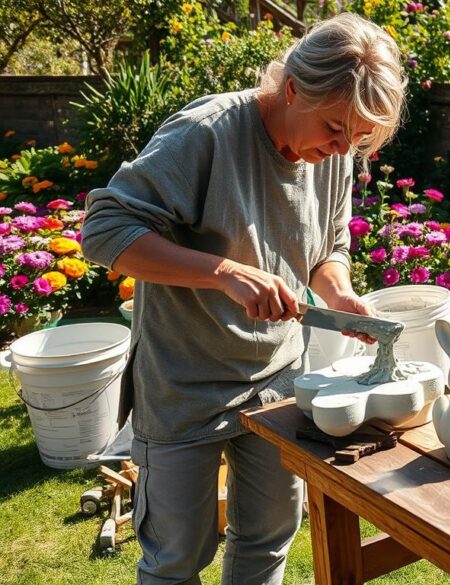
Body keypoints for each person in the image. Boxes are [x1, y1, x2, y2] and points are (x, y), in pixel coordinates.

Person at [81, 12, 407, 584]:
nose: (341, 149)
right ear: (293, 89)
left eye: (358, 138)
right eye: (335, 128)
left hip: (278, 384)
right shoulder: (206, 132)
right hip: (184, 383)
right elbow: (104, 231)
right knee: (177, 559)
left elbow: (328, 245)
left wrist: (339, 292)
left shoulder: (333, 154)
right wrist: (224, 272)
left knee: (267, 543)